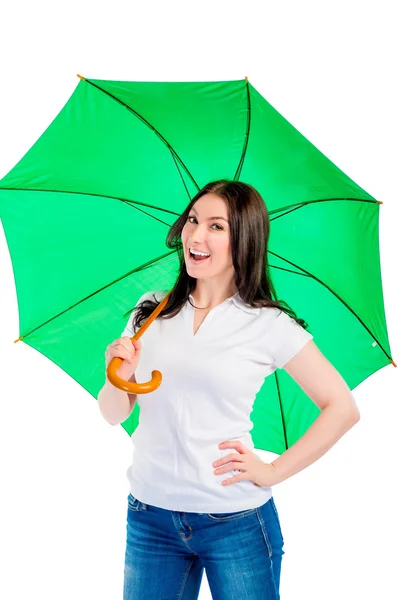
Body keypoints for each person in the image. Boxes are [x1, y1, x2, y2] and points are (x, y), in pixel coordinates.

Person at [98, 180, 360, 600]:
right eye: (193, 220)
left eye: (216, 226)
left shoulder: (269, 325)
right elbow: (114, 414)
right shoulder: (151, 310)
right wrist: (117, 373)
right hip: (150, 515)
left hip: (234, 522)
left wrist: (273, 471)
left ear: (244, 240)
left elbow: (342, 407)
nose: (196, 235)